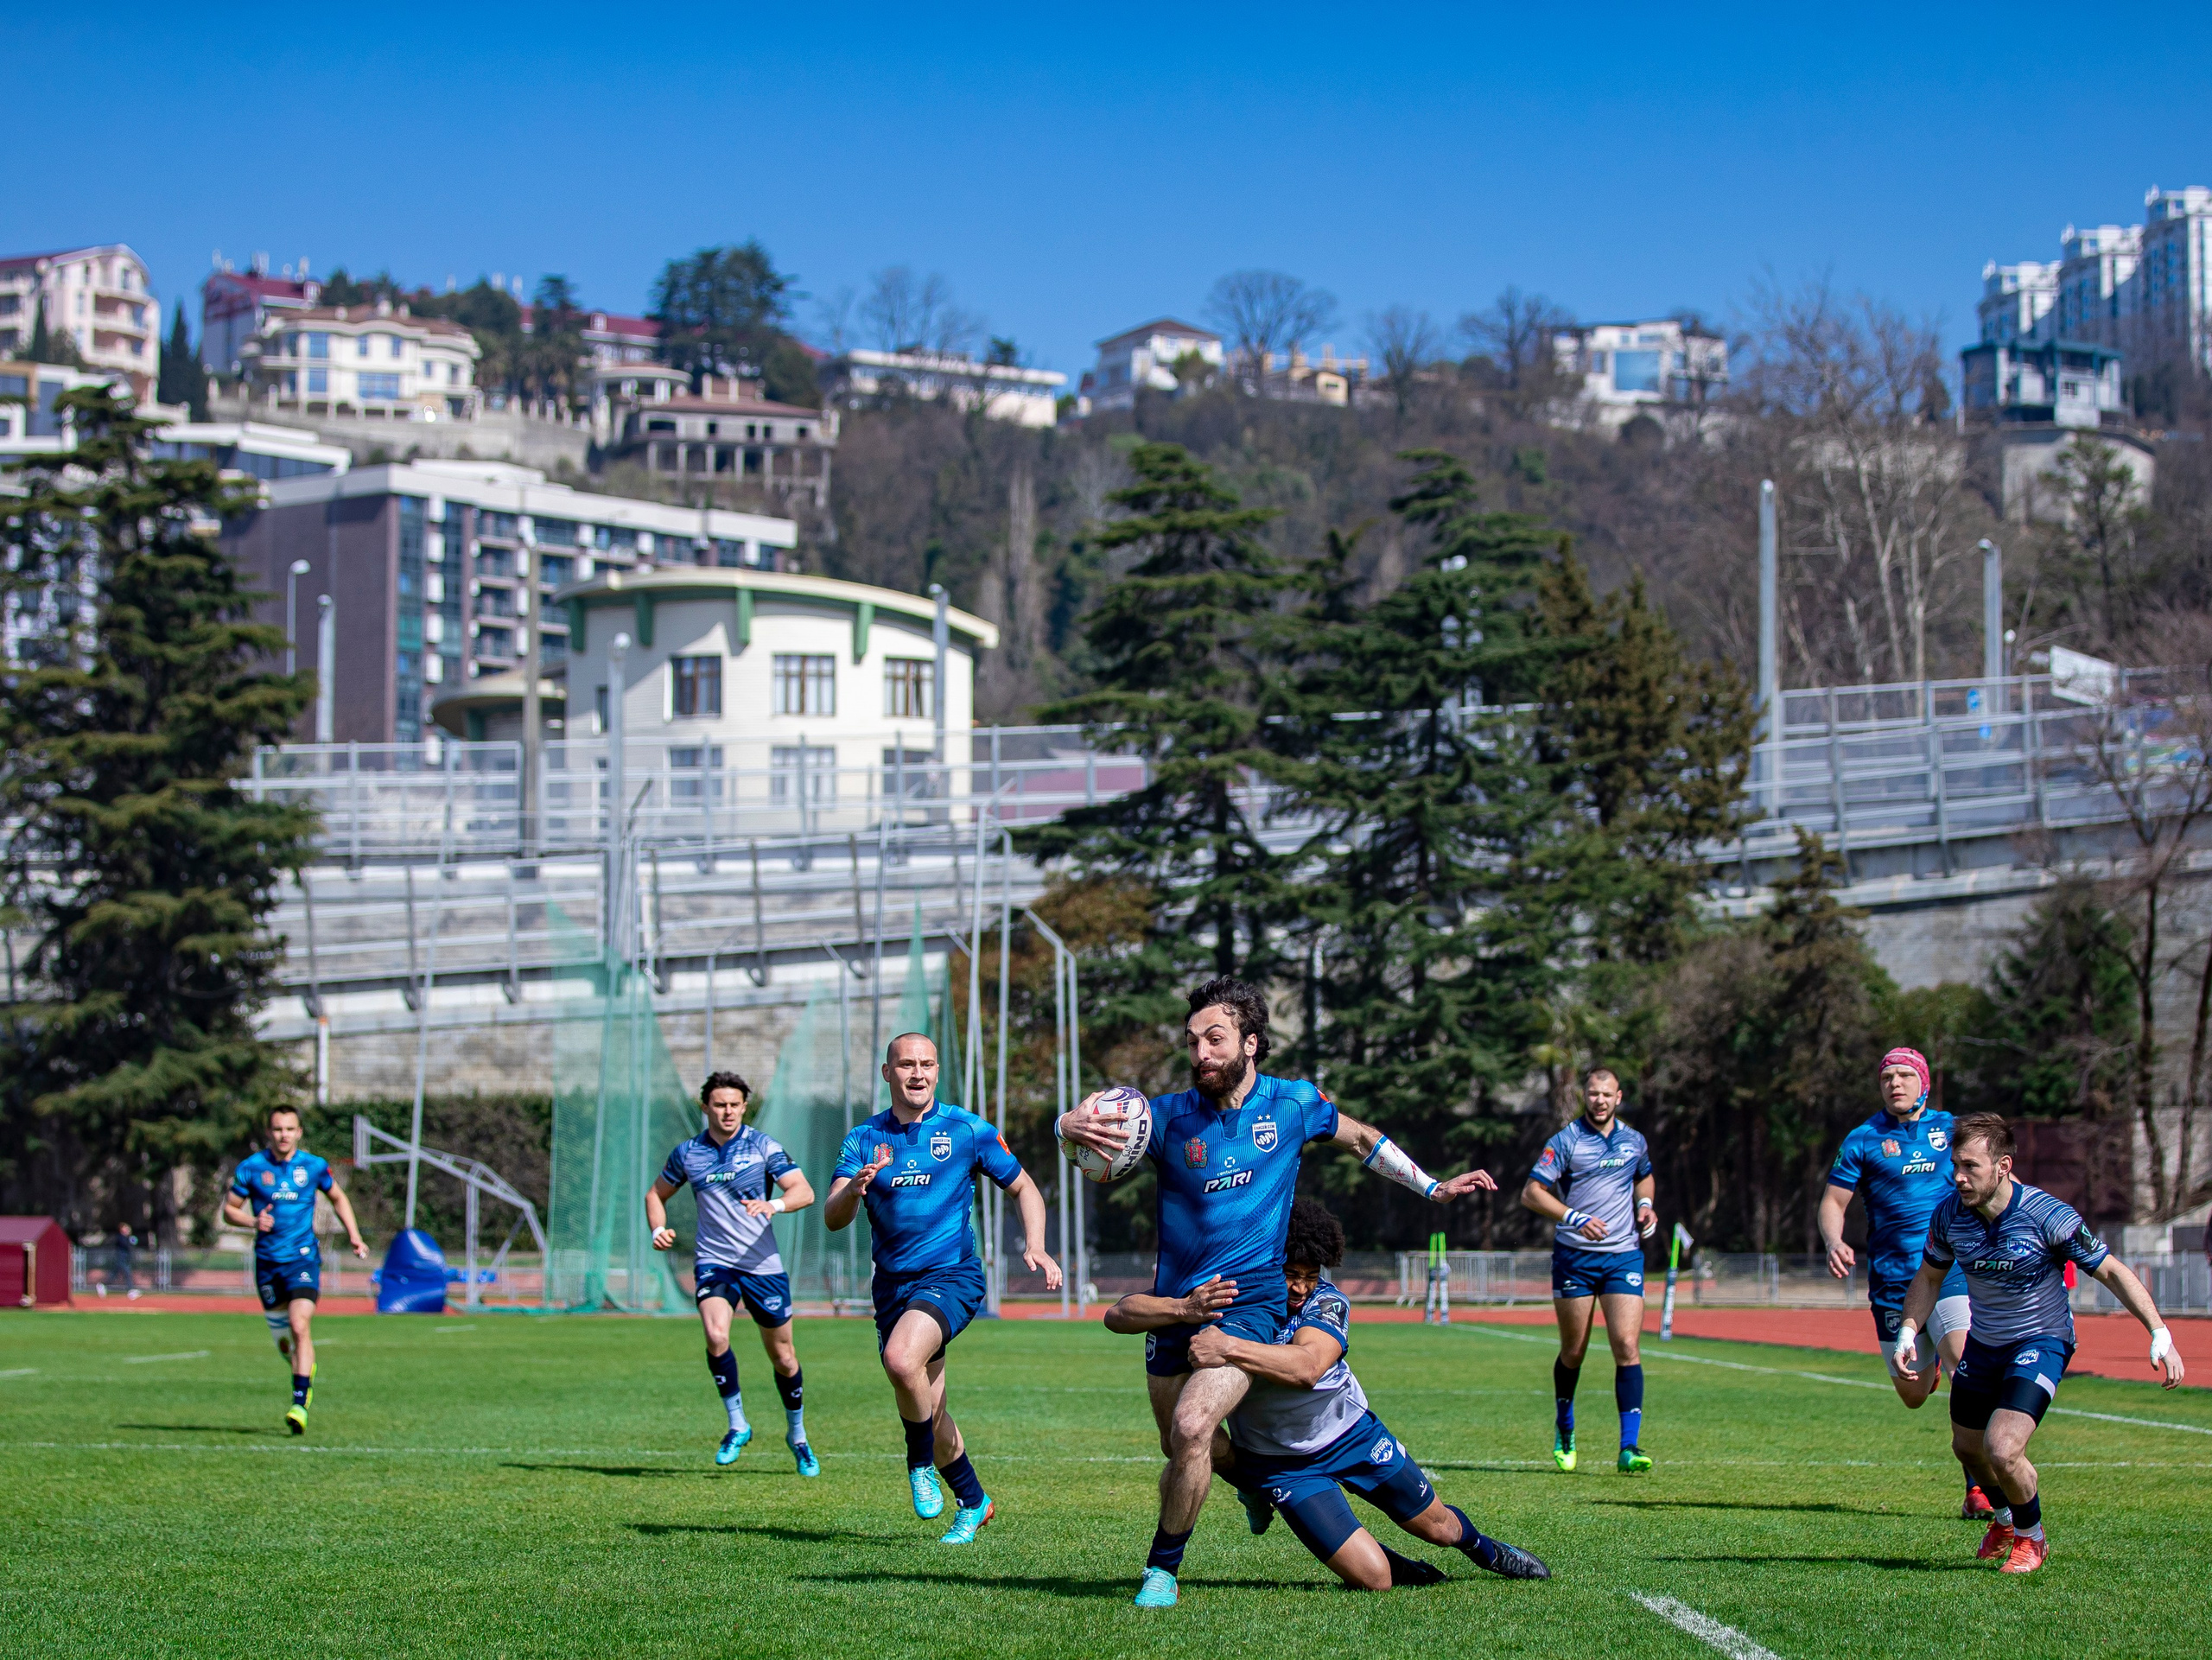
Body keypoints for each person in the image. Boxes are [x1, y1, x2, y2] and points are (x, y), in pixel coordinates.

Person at [1058, 976, 1497, 1609]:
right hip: (1175, 1309)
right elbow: (1093, 1131)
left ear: (1251, 1042)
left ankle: (1161, 1569)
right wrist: (1064, 1122)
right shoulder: (1169, 1118)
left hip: (1249, 1303)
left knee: (1191, 1425)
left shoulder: (1291, 1105)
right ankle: (1256, 1485)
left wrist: (1431, 1187)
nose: (1200, 1053)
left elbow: (1360, 1138)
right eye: (1192, 1041)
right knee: (1188, 1446)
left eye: (1215, 1038)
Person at [1105, 1197, 1550, 1591]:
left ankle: (1487, 1551)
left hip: (1350, 1435)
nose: (1299, 1287)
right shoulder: (1229, 1296)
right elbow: (1118, 1313)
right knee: (1374, 1579)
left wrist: (1229, 1346)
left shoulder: (1327, 1302)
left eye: (1309, 1276)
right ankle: (1382, 1557)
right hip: (1284, 1465)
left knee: (1441, 1529)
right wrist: (1181, 1309)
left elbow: (1306, 1369)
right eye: (1289, 1274)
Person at [1895, 1113, 2186, 1574]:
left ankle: (2032, 1539)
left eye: (1970, 1166)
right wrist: (1909, 1330)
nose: (1958, 1177)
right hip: (1984, 1344)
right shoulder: (1950, 1213)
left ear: (2003, 1166)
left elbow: (2109, 1270)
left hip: (2042, 1339)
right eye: (1955, 1165)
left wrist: (2159, 1332)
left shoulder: (2047, 1215)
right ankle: (2007, 1521)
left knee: (2002, 1447)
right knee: (1966, 1447)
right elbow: (1929, 1277)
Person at [825, 1032, 1062, 1544]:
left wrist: (1036, 1246)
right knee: (929, 1409)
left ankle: (916, 1467)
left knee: (900, 1360)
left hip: (951, 1277)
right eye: (906, 1064)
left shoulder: (966, 1129)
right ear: (887, 1073)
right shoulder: (862, 1138)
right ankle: (975, 1501)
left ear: (937, 1071)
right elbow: (832, 1217)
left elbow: (1024, 1186)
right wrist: (855, 1188)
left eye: (927, 1064)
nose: (918, 1073)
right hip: (892, 1288)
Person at [1818, 1046, 1987, 1517]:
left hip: (1949, 1271)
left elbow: (1989, 1175)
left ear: (1924, 1082)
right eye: (1887, 1076)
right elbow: (1833, 1203)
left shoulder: (1952, 1129)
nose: (1895, 1083)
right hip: (1893, 1282)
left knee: (1965, 1367)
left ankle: (1978, 1489)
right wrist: (1834, 1241)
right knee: (1913, 1396)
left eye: (1904, 1075)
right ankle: (1926, 1370)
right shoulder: (1863, 1138)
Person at [647, 1070, 819, 1475]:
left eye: (735, 1105)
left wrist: (773, 1205)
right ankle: (737, 1424)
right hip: (714, 1261)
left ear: (745, 1107)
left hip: (763, 1266)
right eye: (720, 1104)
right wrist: (658, 1227)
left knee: (783, 1356)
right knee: (716, 1334)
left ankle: (797, 1435)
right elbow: (656, 1193)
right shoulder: (688, 1153)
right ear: (705, 1107)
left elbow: (804, 1191)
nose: (728, 1112)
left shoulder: (762, 1147)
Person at [1519, 1068, 1656, 1475]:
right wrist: (1575, 1217)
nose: (1599, 1100)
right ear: (1585, 1096)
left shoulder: (1635, 1141)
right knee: (1574, 1351)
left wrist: (1645, 1206)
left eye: (1606, 1094)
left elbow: (1645, 1180)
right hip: (1575, 1259)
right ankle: (1565, 1426)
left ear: (1619, 1097)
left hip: (1623, 1256)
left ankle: (1628, 1447)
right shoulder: (1565, 1141)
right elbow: (1532, 1193)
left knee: (1626, 1345)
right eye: (1593, 1093)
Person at [221, 1105, 368, 1434]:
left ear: (299, 1132)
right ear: (269, 1133)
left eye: (289, 1129)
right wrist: (253, 1221)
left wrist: (354, 1236)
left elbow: (338, 1198)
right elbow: (229, 1211)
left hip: (303, 1259)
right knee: (285, 1342)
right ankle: (303, 1369)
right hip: (267, 1264)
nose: (283, 1135)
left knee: (299, 1324)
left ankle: (299, 1405)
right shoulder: (252, 1168)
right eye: (277, 1129)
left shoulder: (313, 1166)